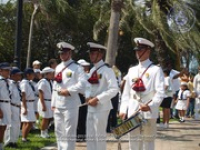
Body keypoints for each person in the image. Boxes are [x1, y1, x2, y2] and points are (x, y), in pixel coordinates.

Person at [119, 37, 165, 150]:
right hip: (133, 110)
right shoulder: (132, 70)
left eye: (140, 50)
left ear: (148, 51)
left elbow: (160, 92)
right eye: (136, 50)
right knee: (133, 141)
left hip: (148, 111)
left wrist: (150, 106)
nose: (137, 52)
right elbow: (126, 93)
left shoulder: (156, 70)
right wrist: (123, 109)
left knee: (147, 142)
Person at [51, 42, 87, 150]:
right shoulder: (58, 67)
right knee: (58, 130)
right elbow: (55, 86)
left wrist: (69, 91)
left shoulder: (77, 67)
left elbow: (83, 84)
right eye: (61, 53)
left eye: (64, 53)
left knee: (69, 132)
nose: (62, 55)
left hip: (71, 104)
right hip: (58, 103)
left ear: (70, 53)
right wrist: (53, 103)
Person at [86, 42, 118, 150]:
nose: (91, 55)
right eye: (90, 53)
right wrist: (87, 96)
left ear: (100, 55)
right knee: (90, 136)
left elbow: (114, 89)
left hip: (102, 107)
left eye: (93, 53)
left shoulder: (107, 70)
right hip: (90, 107)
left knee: (99, 137)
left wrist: (98, 99)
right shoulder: (91, 70)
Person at [4, 68, 22, 148]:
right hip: (12, 106)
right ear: (13, 75)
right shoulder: (9, 83)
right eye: (18, 75)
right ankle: (9, 142)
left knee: (17, 125)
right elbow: (9, 96)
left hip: (17, 106)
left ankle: (14, 141)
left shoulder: (18, 84)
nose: (20, 76)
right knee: (11, 125)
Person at [20, 68, 36, 142]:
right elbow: (23, 95)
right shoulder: (24, 83)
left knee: (28, 122)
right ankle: (24, 138)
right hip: (26, 103)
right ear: (28, 75)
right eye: (32, 74)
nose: (33, 76)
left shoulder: (28, 82)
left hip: (30, 103)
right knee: (28, 122)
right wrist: (25, 108)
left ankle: (24, 137)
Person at [38, 67, 54, 138]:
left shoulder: (50, 81)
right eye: (51, 74)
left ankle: (46, 131)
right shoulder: (43, 81)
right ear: (47, 74)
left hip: (50, 101)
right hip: (45, 101)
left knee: (50, 117)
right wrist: (43, 105)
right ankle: (42, 132)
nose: (52, 75)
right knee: (45, 118)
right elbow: (41, 93)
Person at [76, 59, 90, 141]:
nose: (86, 67)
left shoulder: (87, 75)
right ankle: (78, 135)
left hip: (86, 98)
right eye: (84, 66)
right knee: (78, 117)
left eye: (86, 66)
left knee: (84, 117)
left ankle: (83, 134)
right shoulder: (76, 76)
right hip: (79, 97)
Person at [0, 62, 11, 150]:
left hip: (7, 104)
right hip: (1, 104)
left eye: (8, 70)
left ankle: (1, 144)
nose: (8, 72)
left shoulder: (7, 81)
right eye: (6, 70)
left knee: (4, 126)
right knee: (0, 126)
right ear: (1, 71)